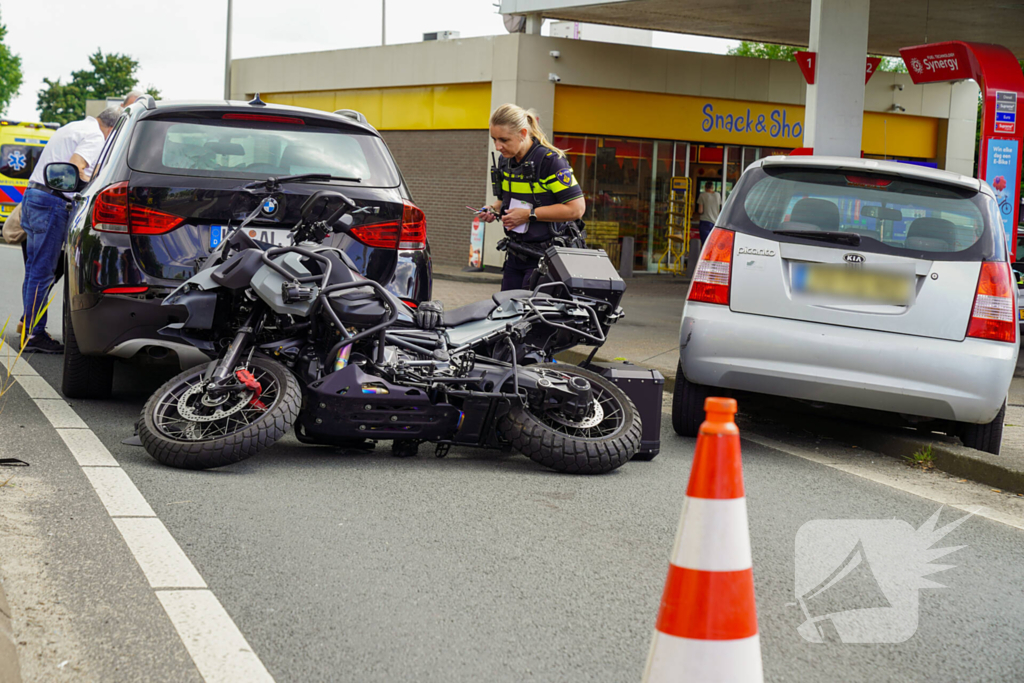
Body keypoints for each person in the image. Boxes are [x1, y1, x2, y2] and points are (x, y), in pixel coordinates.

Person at [19, 107, 118, 353]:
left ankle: (29, 327)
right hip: (52, 203)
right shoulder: (96, 137)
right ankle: (34, 335)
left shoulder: (73, 127)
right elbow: (75, 167)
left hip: (34, 196)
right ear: (111, 129)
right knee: (43, 271)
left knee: (34, 269)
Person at [477, 104, 586, 291]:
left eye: (504, 139)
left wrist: (529, 215)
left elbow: (576, 209)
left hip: (546, 258)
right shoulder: (506, 161)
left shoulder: (550, 161)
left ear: (523, 133)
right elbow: (506, 200)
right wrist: (493, 209)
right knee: (506, 313)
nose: (497, 146)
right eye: (494, 139)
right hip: (516, 254)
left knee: (531, 317)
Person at [696, 181, 722, 245]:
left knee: (705, 244)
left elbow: (700, 211)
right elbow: (719, 209)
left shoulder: (702, 195)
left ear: (705, 187)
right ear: (712, 187)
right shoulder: (718, 195)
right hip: (715, 223)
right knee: (713, 244)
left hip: (705, 222)